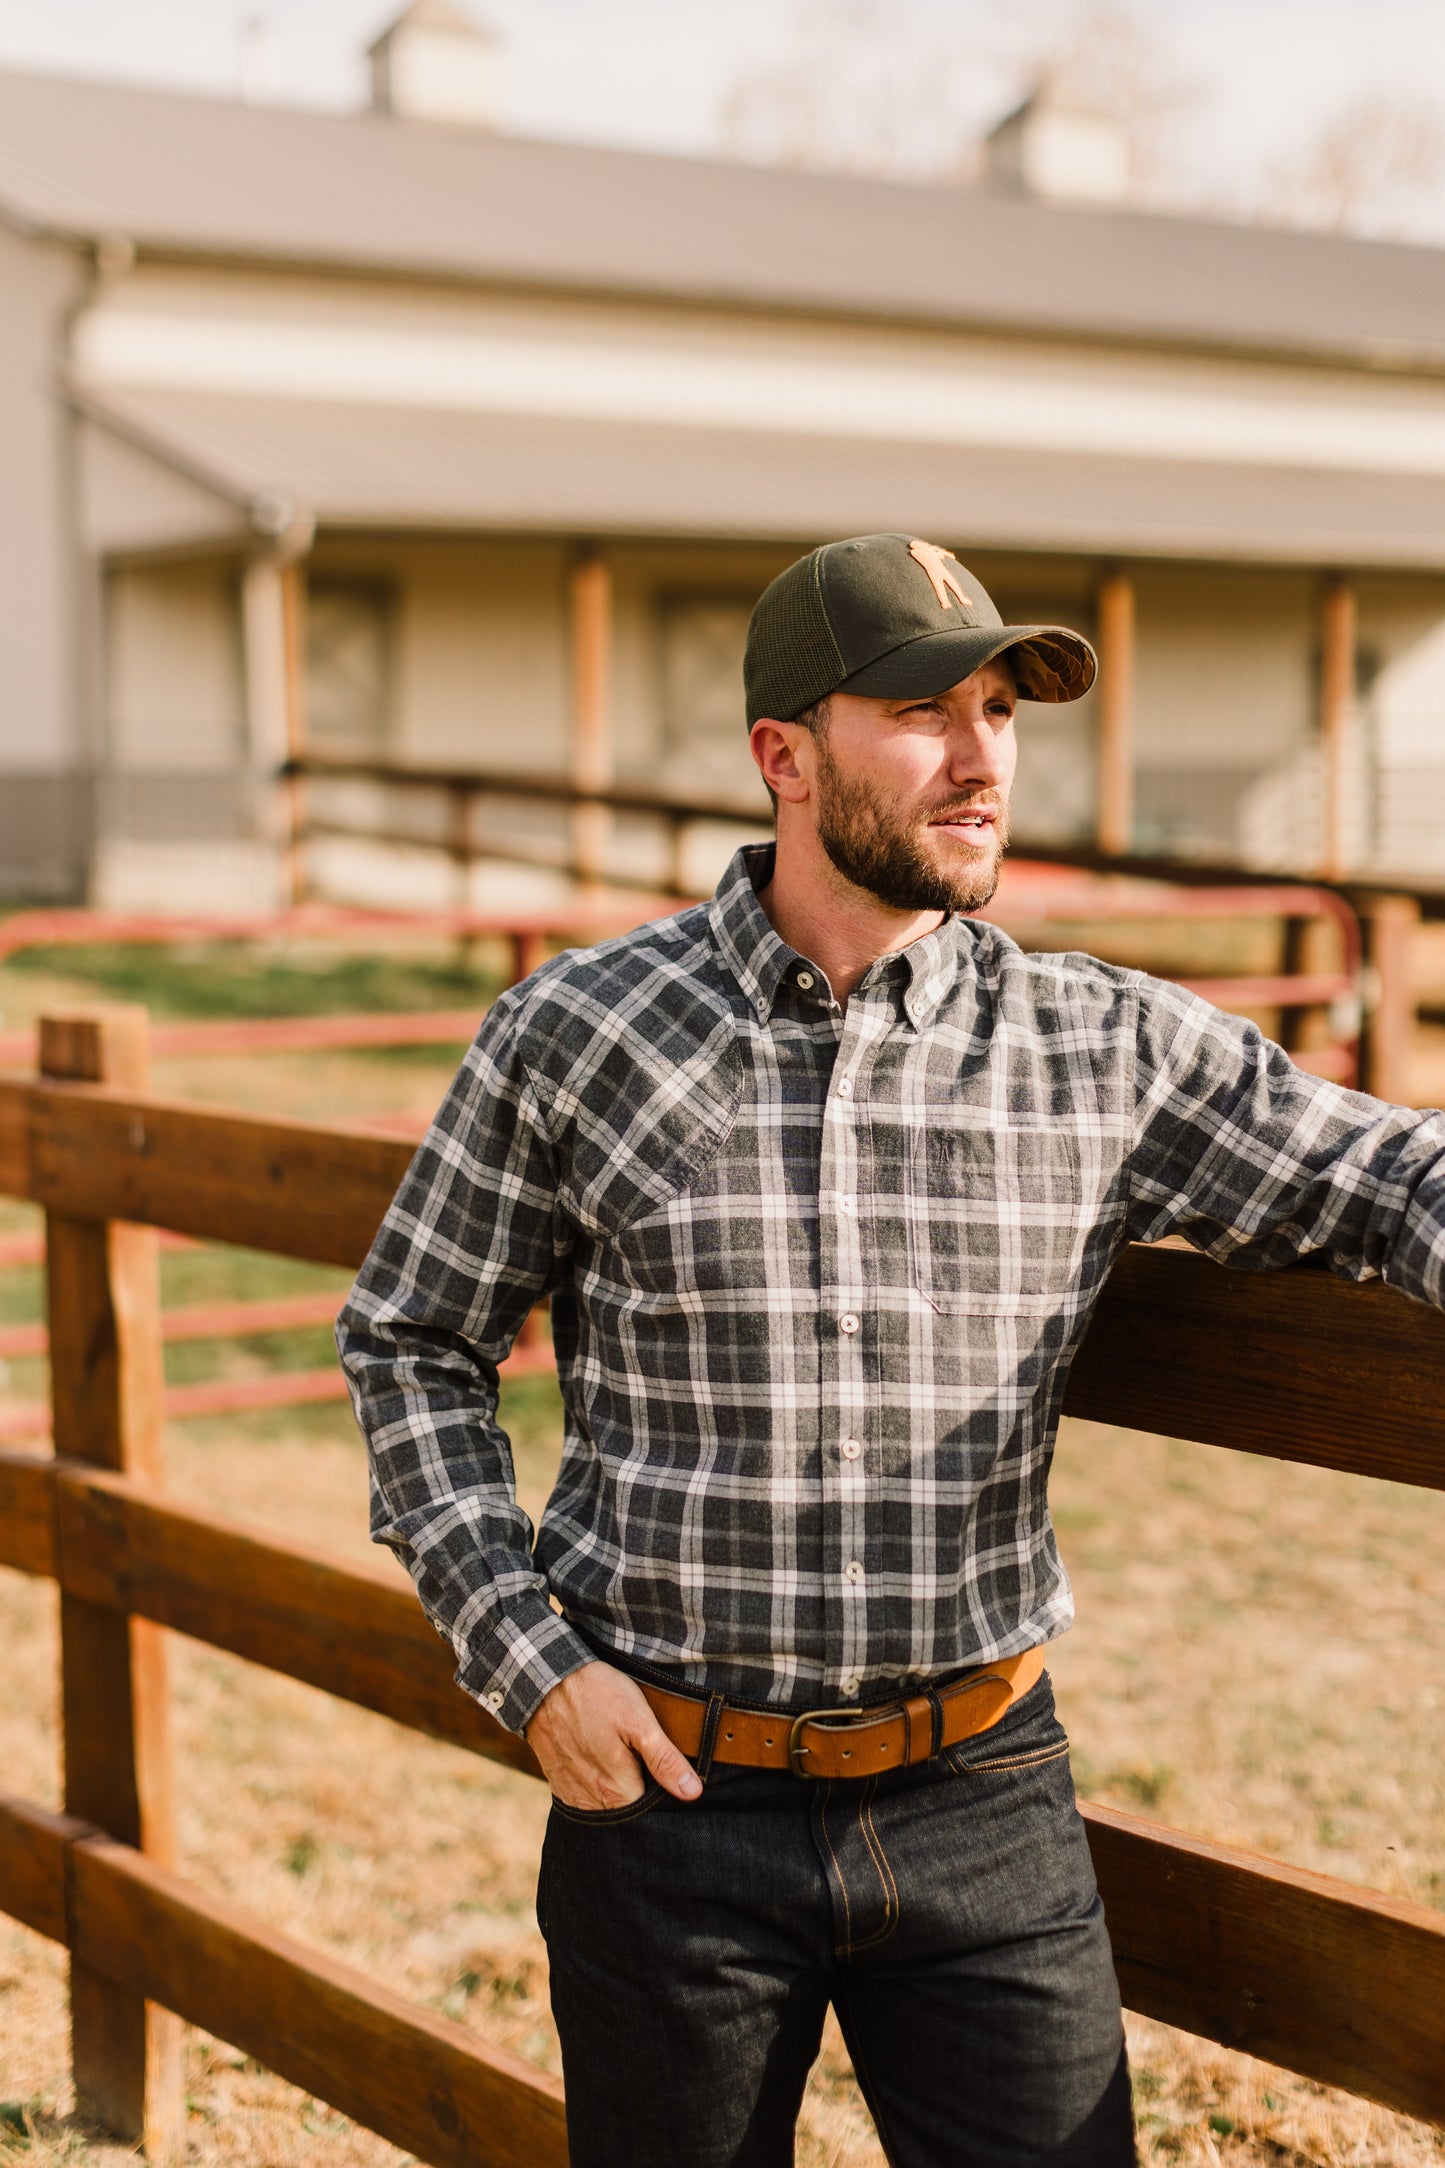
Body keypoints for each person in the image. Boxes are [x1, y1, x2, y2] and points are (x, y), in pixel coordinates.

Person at [337, 533, 1445, 2168]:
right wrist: (528, 1659)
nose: (983, 754)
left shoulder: (1104, 1044)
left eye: (999, 708)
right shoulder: (577, 1031)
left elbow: (1391, 1171)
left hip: (980, 1794)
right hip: (665, 1803)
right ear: (783, 756)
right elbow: (412, 1339)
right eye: (923, 711)